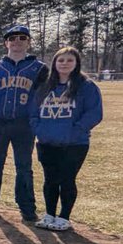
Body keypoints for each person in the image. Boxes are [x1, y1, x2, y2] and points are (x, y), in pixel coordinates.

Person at [30, 47, 103, 232]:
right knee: (50, 180)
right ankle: (49, 214)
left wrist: (75, 131)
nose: (64, 64)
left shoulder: (86, 86)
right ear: (54, 63)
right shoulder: (45, 86)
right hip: (47, 142)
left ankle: (64, 217)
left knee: (67, 180)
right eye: (61, 60)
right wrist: (40, 130)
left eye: (70, 60)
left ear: (76, 63)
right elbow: (33, 112)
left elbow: (94, 113)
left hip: (74, 144)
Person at [0, 24, 48, 221]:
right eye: (12, 38)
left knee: (24, 166)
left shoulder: (39, 68)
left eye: (22, 38)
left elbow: (44, 97)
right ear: (6, 43)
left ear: (28, 42)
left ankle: (27, 206)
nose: (17, 42)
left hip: (24, 124)